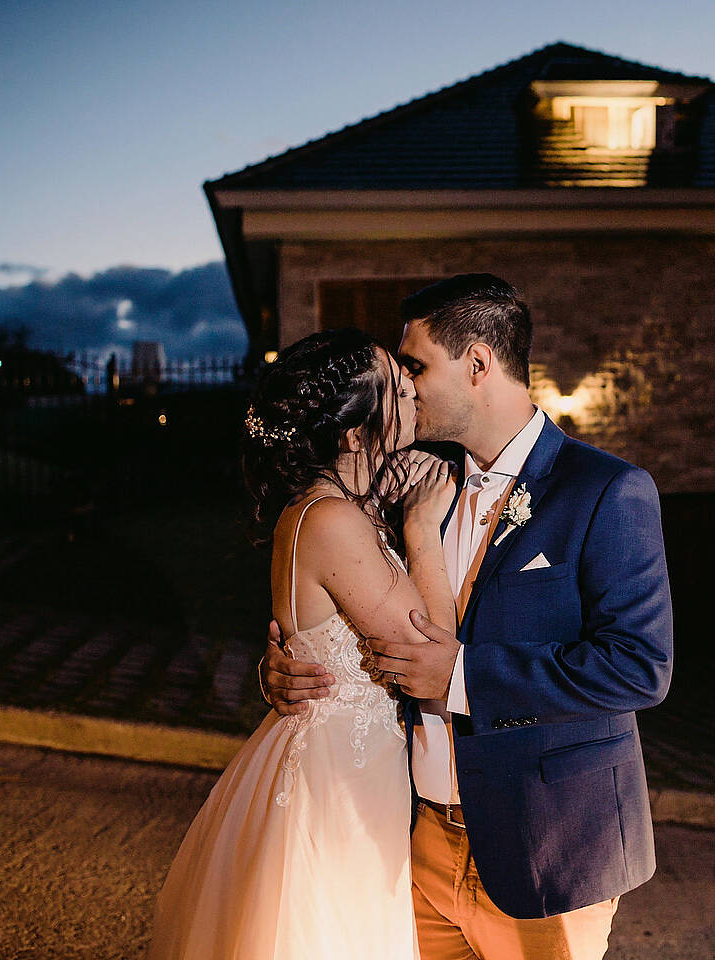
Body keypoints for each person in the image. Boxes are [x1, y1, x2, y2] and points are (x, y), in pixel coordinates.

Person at [261, 274, 675, 960]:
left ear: (478, 363)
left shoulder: (604, 490)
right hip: (414, 846)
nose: (405, 384)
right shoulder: (413, 487)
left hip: (545, 847)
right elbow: (351, 607)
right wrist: (292, 664)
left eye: (416, 366)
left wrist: (462, 677)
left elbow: (639, 666)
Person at [146, 328, 459, 959]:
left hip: (348, 760)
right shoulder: (333, 518)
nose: (410, 384)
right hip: (340, 778)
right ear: (354, 434)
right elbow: (430, 647)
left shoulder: (337, 506)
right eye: (395, 385)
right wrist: (423, 528)